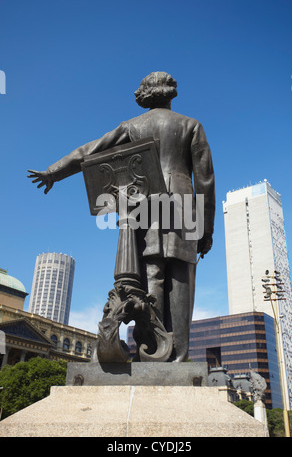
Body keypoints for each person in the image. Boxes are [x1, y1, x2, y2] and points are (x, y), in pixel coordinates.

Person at [28, 71, 215, 361]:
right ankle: (178, 356)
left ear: (146, 94)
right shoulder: (191, 125)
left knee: (152, 270)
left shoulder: (132, 125)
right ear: (170, 93)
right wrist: (207, 229)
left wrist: (54, 171)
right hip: (183, 204)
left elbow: (88, 152)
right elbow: (205, 181)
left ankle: (152, 351)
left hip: (146, 201)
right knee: (181, 275)